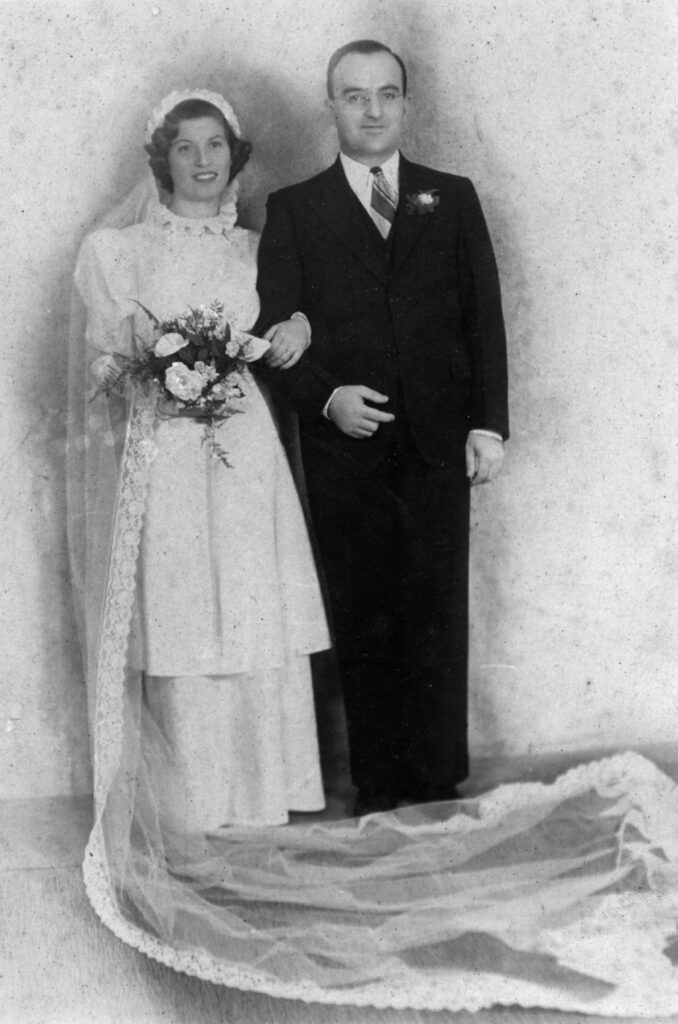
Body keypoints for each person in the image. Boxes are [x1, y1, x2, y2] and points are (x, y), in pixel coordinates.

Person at [68, 88, 330, 840]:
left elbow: (290, 324)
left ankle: (266, 792)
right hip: (170, 448)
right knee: (185, 604)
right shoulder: (120, 252)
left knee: (251, 597)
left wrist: (298, 326)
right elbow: (102, 365)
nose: (202, 161)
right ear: (163, 160)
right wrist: (152, 369)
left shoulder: (256, 249)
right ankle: (192, 800)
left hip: (244, 445)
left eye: (215, 145)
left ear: (234, 156)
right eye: (185, 147)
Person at [255, 40, 509, 816]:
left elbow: (483, 319)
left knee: (436, 605)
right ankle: (378, 779)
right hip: (345, 447)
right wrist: (324, 398)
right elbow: (270, 332)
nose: (372, 110)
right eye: (354, 95)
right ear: (330, 105)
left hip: (436, 440)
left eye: (386, 95)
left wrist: (488, 427)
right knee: (364, 609)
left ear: (406, 103)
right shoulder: (297, 209)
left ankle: (437, 776)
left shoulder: (451, 196)